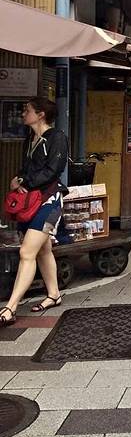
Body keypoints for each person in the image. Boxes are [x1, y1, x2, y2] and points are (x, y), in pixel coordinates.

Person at [1, 99, 68, 327]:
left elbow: (53, 170)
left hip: (50, 202)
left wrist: (24, 182)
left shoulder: (57, 137)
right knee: (43, 250)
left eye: (27, 110)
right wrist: (18, 180)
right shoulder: (30, 138)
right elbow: (26, 169)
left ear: (40, 115)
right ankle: (54, 294)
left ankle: (11, 307)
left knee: (26, 252)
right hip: (30, 202)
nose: (23, 114)